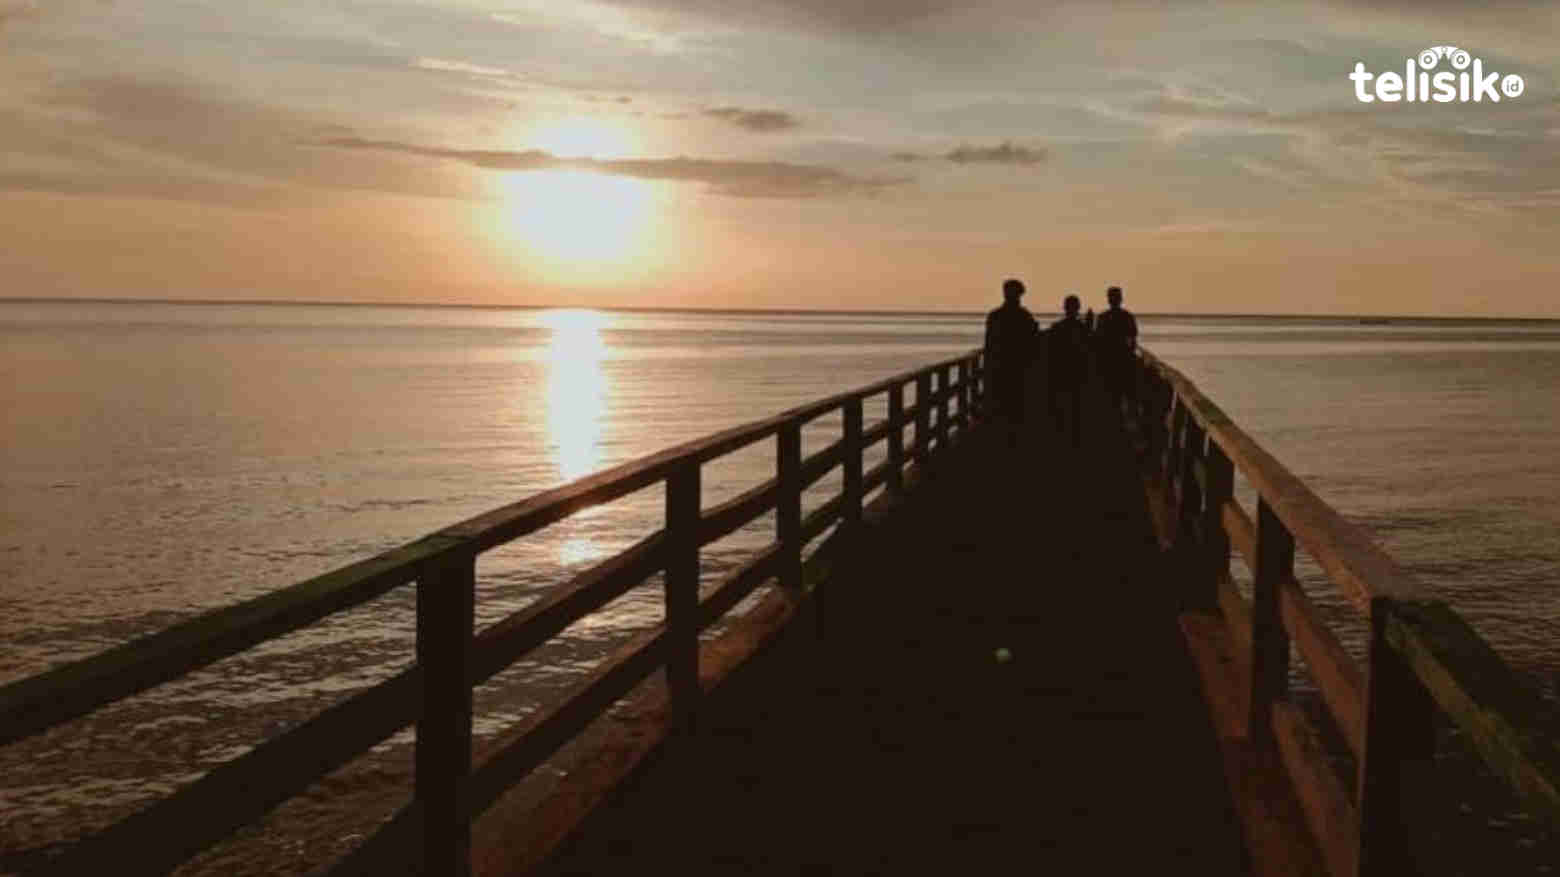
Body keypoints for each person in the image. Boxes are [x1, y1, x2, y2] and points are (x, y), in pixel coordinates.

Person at [983, 278, 1039, 444]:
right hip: (1019, 370)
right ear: (1020, 294)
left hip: (1000, 369)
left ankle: (1001, 442)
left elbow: (989, 345)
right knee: (1017, 410)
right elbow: (1033, 345)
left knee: (1000, 409)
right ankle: (1014, 441)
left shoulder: (995, 316)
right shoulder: (1025, 316)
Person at [1046, 294, 1089, 448]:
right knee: (1076, 408)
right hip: (1077, 376)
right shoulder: (1083, 329)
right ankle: (1075, 439)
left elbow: (1048, 350)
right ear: (1078, 309)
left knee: (1060, 407)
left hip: (1060, 374)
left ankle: (1060, 438)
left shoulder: (1057, 328)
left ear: (1064, 308)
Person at [1094, 285, 1138, 419]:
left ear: (1108, 300)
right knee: (1122, 396)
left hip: (1107, 363)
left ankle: (1110, 420)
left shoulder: (1102, 317)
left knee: (1110, 396)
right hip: (1123, 362)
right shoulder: (1128, 317)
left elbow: (1097, 341)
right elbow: (1133, 339)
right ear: (1121, 299)